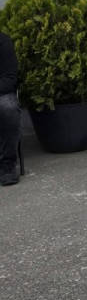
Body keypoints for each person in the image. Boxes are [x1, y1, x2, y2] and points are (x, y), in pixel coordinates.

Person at [0, 31, 19, 186]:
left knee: (8, 107)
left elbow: (10, 79)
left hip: (2, 93)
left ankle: (8, 165)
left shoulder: (3, 42)